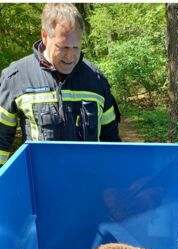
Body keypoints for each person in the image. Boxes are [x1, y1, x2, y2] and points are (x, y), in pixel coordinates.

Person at [0, 3, 121, 166]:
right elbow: (1, 142)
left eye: (75, 47)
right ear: (44, 35)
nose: (70, 56)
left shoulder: (96, 79)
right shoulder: (16, 77)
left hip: (91, 182)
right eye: (63, 47)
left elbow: (111, 140)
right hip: (42, 186)